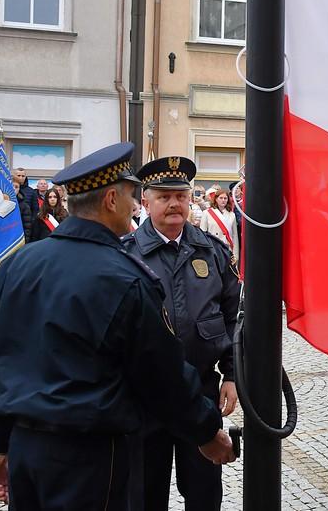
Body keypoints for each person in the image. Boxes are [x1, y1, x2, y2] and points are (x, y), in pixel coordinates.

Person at [0, 142, 235, 510]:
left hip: (27, 449)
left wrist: (0, 443)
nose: (135, 205)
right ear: (111, 199)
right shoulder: (124, 275)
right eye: (130, 195)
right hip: (91, 455)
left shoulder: (19, 264)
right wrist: (206, 431)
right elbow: (161, 372)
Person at [123, 157, 241, 511]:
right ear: (145, 201)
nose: (174, 204)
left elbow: (233, 316)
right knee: (144, 494)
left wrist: (232, 375)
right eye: (164, 196)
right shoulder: (125, 255)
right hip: (144, 399)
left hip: (201, 391)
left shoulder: (213, 251)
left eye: (180, 195)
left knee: (204, 491)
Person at [200, 189, 240, 265]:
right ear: (216, 199)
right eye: (221, 198)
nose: (223, 200)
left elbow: (235, 236)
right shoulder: (207, 213)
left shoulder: (232, 215)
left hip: (228, 249)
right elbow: (203, 235)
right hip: (213, 249)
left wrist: (235, 254)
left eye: (225, 198)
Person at [11, 175, 34, 242]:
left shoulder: (24, 206)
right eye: (12, 186)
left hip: (18, 240)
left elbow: (27, 227)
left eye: (16, 187)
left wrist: (25, 241)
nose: (14, 189)